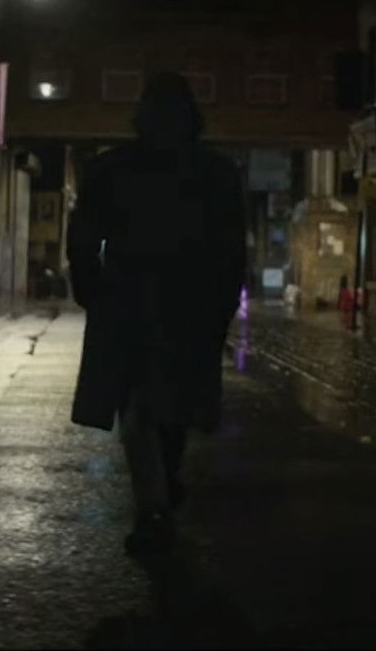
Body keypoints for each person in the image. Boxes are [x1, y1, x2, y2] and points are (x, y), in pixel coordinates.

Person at [67, 72, 246, 556]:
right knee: (172, 408)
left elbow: (83, 236)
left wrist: (92, 290)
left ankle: (155, 501)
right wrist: (223, 303)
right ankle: (161, 492)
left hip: (128, 300)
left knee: (139, 408)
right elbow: (231, 248)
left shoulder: (112, 169)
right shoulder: (216, 172)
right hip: (190, 303)